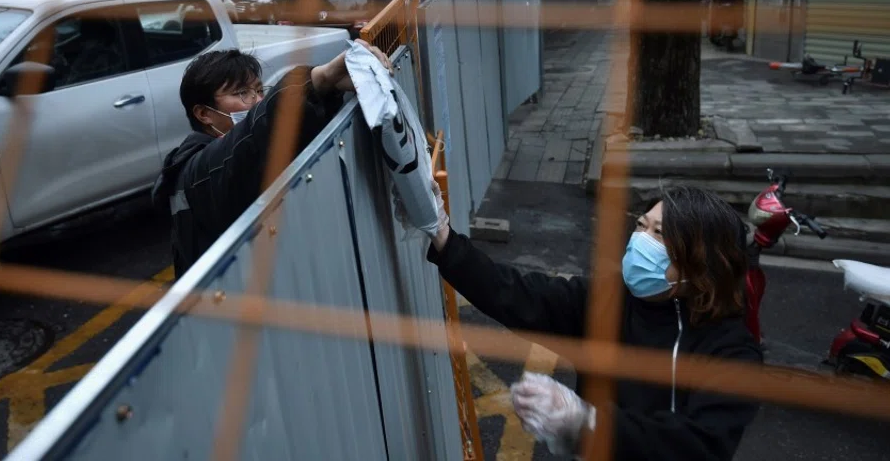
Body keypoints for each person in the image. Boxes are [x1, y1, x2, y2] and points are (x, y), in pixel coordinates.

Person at [426, 185, 762, 461]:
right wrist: (444, 238)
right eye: (641, 226)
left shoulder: (731, 351)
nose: (641, 241)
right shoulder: (608, 302)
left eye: (659, 234)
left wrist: (587, 422)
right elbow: (518, 294)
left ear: (701, 261)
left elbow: (701, 446)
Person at [153, 40, 390, 279]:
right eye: (241, 93)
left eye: (258, 90)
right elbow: (255, 133)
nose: (256, 100)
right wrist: (321, 79)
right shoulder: (197, 171)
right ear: (204, 114)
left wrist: (331, 91)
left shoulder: (243, 153)